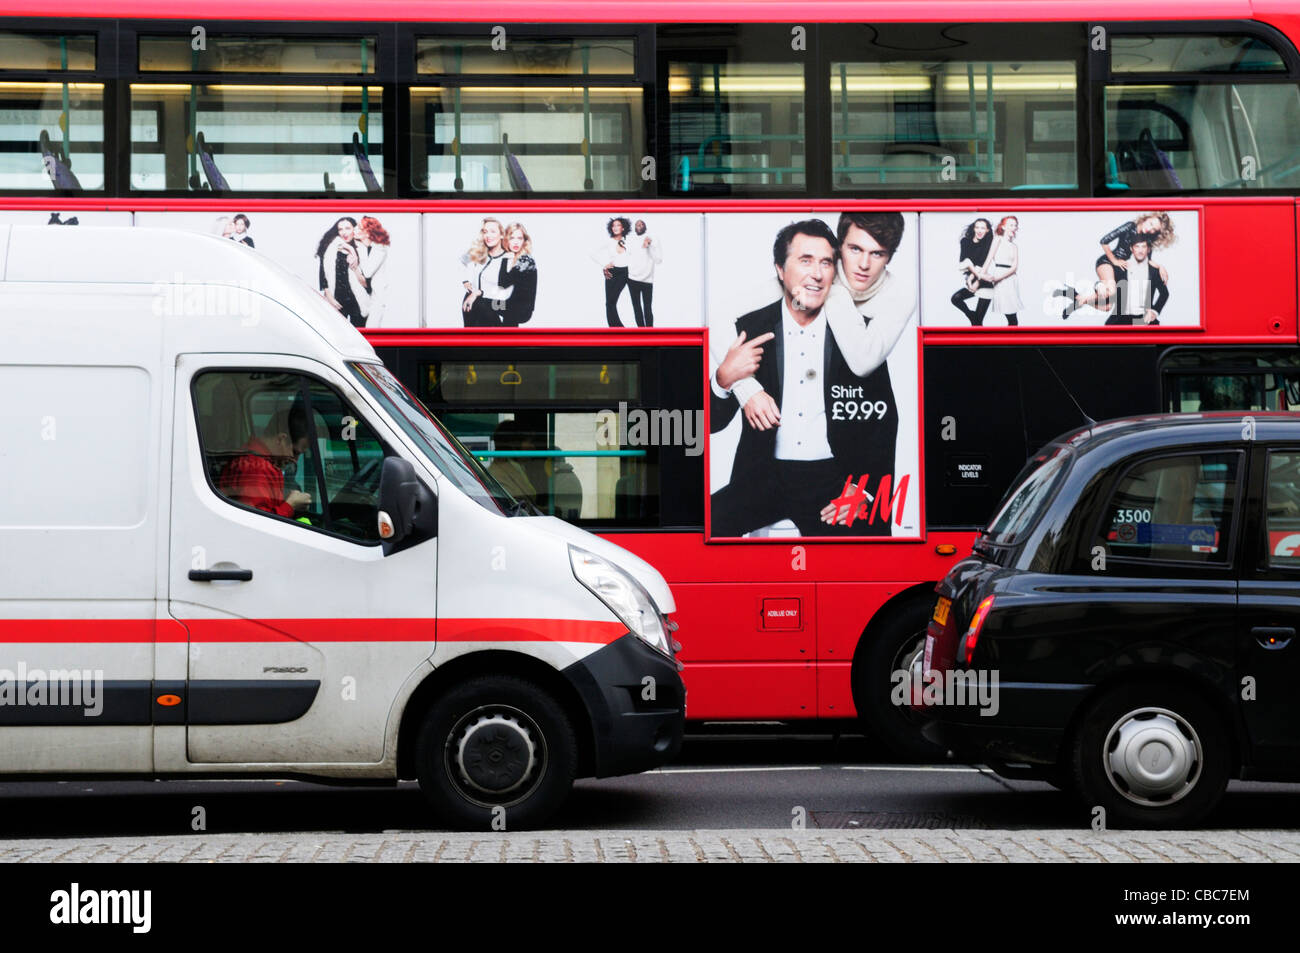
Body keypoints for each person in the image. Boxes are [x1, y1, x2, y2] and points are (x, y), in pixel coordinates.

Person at [709, 215, 914, 538]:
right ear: (780, 270)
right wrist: (725, 381)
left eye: (826, 263)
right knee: (702, 529)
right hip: (762, 475)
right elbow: (711, 424)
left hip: (833, 477)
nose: (816, 274)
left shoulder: (853, 333)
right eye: (805, 261)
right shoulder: (754, 327)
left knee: (867, 551)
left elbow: (883, 419)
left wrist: (864, 490)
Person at [1056, 212, 1175, 319]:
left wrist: (1160, 267)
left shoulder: (1146, 238)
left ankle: (1077, 297)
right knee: (1111, 291)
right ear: (1146, 218)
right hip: (1107, 262)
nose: (1150, 229)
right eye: (1150, 224)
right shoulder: (1130, 226)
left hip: (1119, 269)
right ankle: (1090, 292)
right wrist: (1114, 261)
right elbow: (1104, 240)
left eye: (1154, 229)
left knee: (1107, 306)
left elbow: (1146, 260)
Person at [217, 405, 312, 518]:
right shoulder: (256, 469)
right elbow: (258, 522)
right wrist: (291, 505)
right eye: (295, 452)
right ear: (281, 439)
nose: (295, 460)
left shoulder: (258, 461)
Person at [460, 217, 512, 328]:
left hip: (493, 309)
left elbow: (505, 292)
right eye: (485, 232)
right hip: (471, 307)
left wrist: (479, 293)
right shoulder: (479, 252)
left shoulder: (509, 258)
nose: (488, 235)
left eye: (493, 231)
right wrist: (465, 280)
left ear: (502, 235)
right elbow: (463, 261)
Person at [316, 217, 367, 327]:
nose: (344, 232)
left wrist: (355, 263)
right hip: (337, 300)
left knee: (360, 337)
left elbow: (366, 283)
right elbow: (323, 276)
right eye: (340, 229)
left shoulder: (362, 249)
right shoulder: (329, 249)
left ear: (354, 229)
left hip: (358, 301)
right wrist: (329, 298)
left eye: (348, 228)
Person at [1106, 239, 1169, 325]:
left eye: (1143, 247)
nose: (1140, 250)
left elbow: (1164, 293)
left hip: (1144, 319)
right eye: (1137, 246)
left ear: (1148, 249)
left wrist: (1154, 311)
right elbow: (1106, 285)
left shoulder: (1154, 271)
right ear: (1131, 248)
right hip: (1121, 319)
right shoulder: (1120, 268)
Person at [949, 218, 994, 326]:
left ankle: (979, 340)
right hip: (975, 278)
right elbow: (963, 261)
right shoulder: (965, 241)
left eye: (983, 228)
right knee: (956, 299)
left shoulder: (988, 243)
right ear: (973, 228)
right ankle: (970, 315)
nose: (979, 230)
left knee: (978, 323)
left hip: (984, 282)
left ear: (987, 230)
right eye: (977, 227)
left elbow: (983, 263)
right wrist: (972, 275)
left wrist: (976, 280)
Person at [592, 216, 632, 327]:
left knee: (613, 300)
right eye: (613, 225)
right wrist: (604, 265)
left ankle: (619, 328)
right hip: (612, 272)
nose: (615, 227)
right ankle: (615, 328)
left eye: (618, 225)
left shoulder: (629, 241)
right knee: (609, 302)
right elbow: (593, 252)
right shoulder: (608, 242)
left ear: (623, 228)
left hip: (626, 272)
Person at [496, 222, 538, 327]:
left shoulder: (526, 260)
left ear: (524, 241)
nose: (516, 242)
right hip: (510, 305)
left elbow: (503, 283)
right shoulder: (514, 257)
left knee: (482, 304)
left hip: (522, 310)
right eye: (512, 238)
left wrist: (505, 259)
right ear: (506, 240)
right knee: (481, 304)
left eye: (519, 238)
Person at [983, 216, 1022, 326]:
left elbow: (1014, 267)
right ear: (1003, 227)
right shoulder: (998, 239)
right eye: (1011, 225)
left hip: (1011, 279)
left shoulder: (1014, 246)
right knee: (1010, 313)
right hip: (1000, 275)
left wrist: (997, 278)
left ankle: (1013, 338)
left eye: (1015, 225)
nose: (1014, 227)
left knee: (1012, 313)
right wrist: (982, 274)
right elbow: (989, 258)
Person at [487, 419, 536, 502]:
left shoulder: (517, 467)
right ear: (514, 444)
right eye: (529, 442)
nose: (533, 447)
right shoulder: (496, 475)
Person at [356, 216, 391, 327]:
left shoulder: (380, 248)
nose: (355, 230)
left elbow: (367, 272)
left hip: (379, 298)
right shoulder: (370, 247)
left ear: (368, 232)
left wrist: (360, 248)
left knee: (372, 327)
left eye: (359, 228)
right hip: (372, 297)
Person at [626, 219, 662, 327]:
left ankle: (650, 333)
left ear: (645, 226)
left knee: (647, 308)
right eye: (637, 225)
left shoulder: (652, 239)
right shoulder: (630, 239)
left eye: (641, 224)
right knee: (636, 308)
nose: (639, 226)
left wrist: (649, 246)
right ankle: (641, 333)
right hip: (632, 279)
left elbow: (659, 260)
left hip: (647, 280)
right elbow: (626, 257)